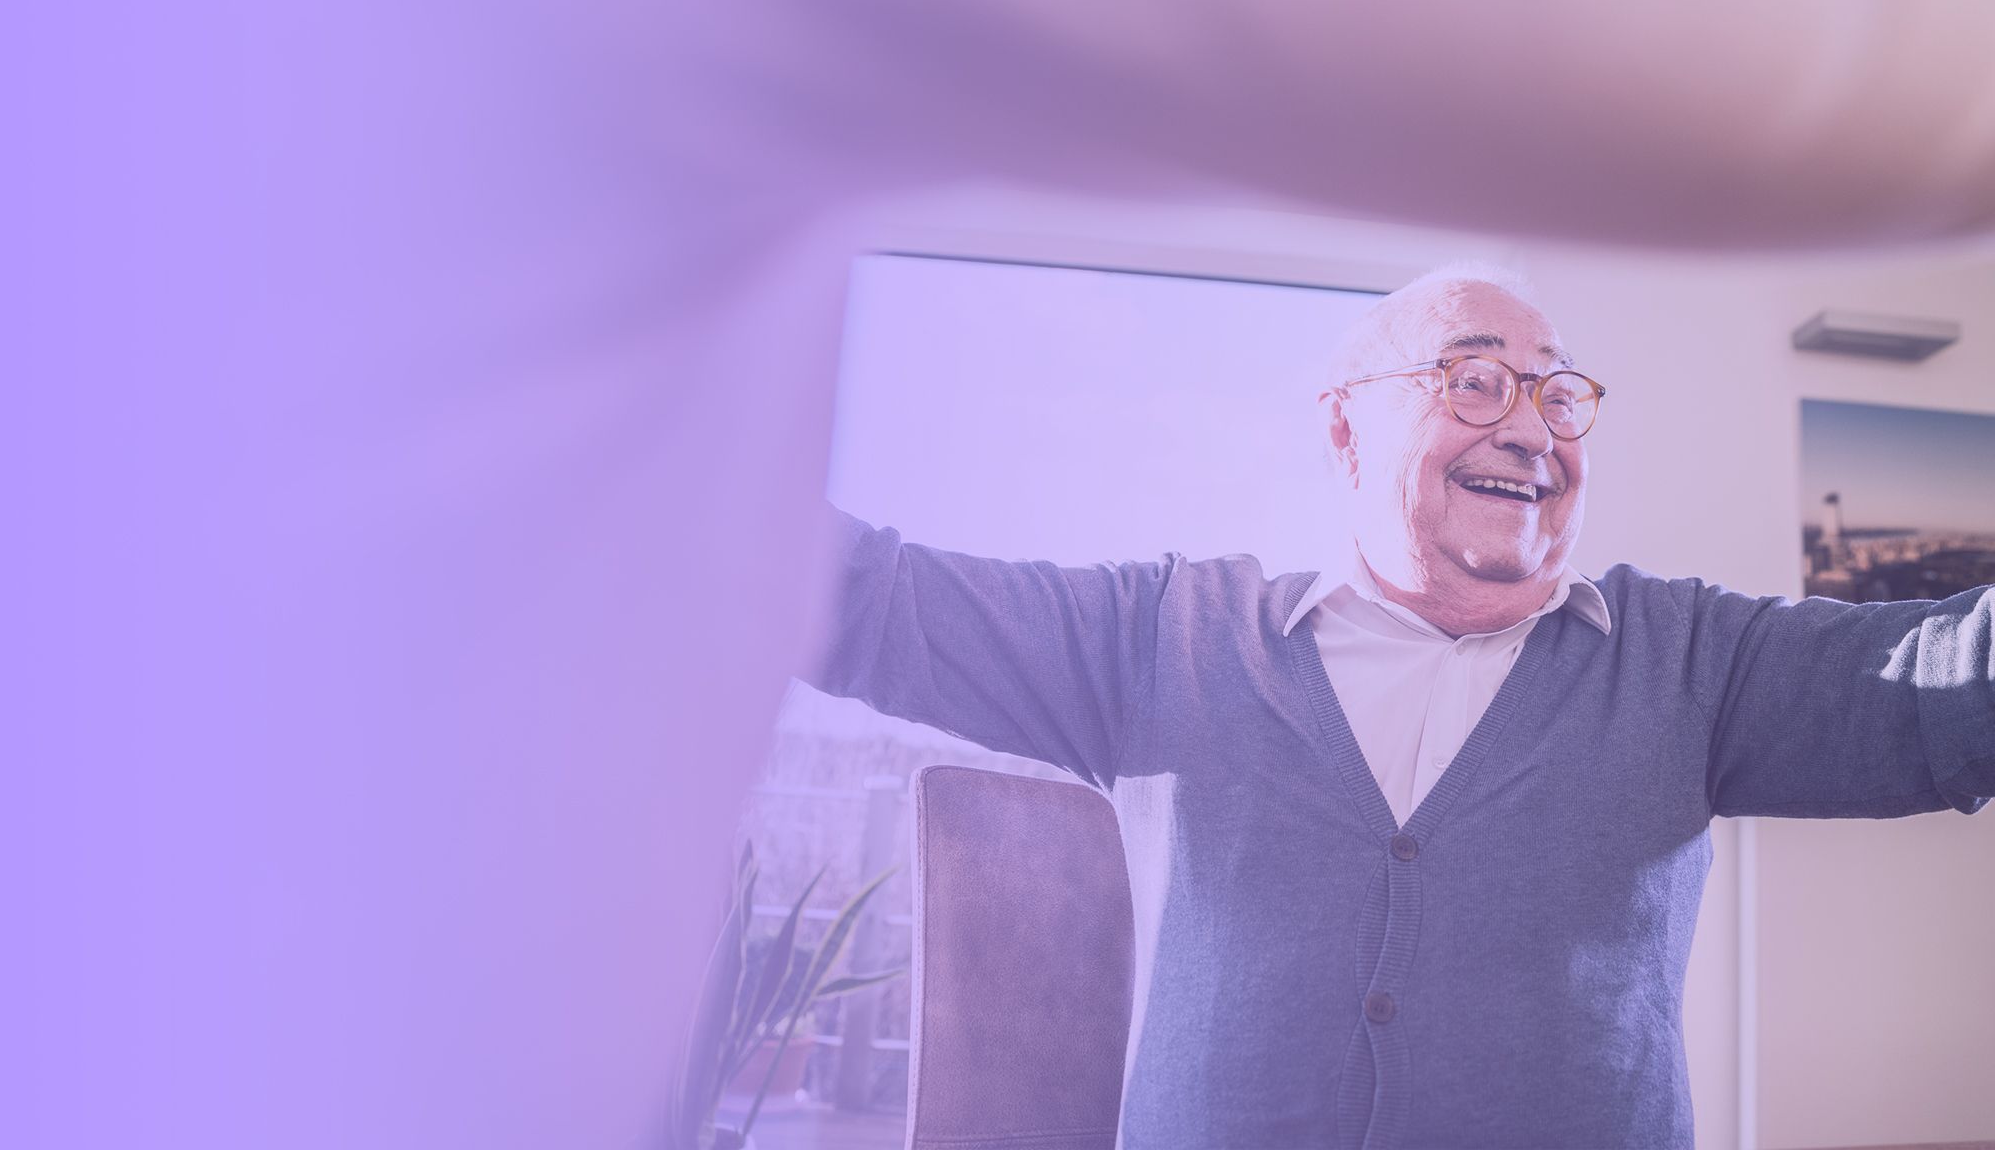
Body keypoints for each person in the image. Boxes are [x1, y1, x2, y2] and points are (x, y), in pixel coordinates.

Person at [803, 265, 1995, 1149]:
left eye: (1558, 396)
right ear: (1342, 426)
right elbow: (875, 604)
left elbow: (1955, 681)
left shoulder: (1688, 661)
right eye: (1473, 381)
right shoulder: (1171, 636)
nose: (1528, 427)